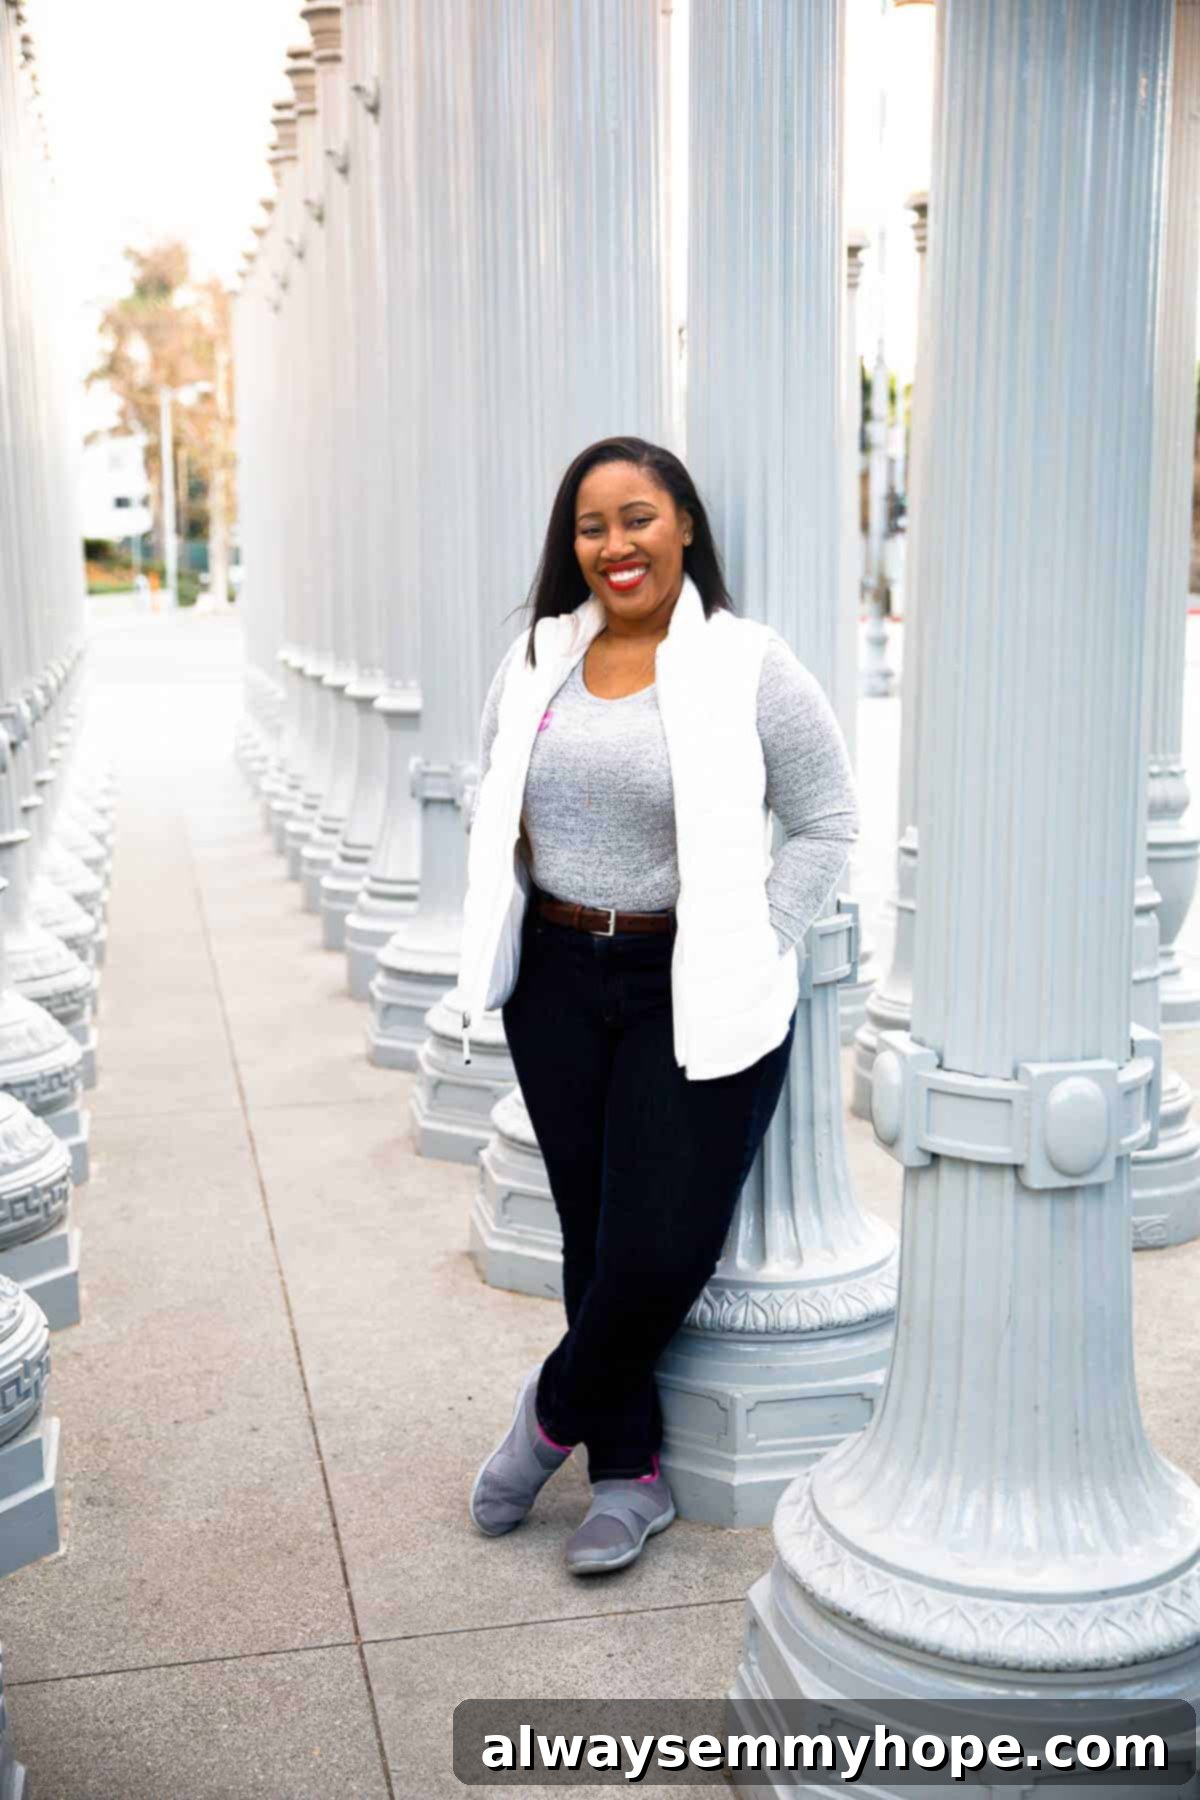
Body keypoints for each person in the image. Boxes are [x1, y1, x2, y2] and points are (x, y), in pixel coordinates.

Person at [460, 436, 859, 1575]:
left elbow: (829, 819)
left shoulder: (749, 663)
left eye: (638, 518)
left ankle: (545, 1420)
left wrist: (763, 937)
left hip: (694, 979)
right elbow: (500, 788)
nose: (615, 546)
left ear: (684, 523)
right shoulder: (539, 657)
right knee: (596, 1233)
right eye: (592, 526)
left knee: (658, 1245)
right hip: (556, 975)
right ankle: (629, 1476)